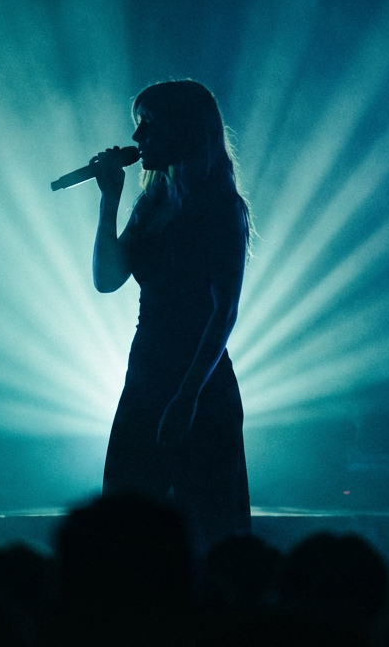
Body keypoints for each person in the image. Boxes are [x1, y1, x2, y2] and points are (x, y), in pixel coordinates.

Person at [89, 79, 252, 548]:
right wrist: (109, 200)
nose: (137, 140)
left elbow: (223, 313)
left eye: (148, 126)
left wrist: (187, 398)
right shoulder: (153, 204)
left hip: (198, 386)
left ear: (183, 131)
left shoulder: (222, 210)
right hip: (146, 377)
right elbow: (107, 279)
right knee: (124, 521)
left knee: (207, 525)